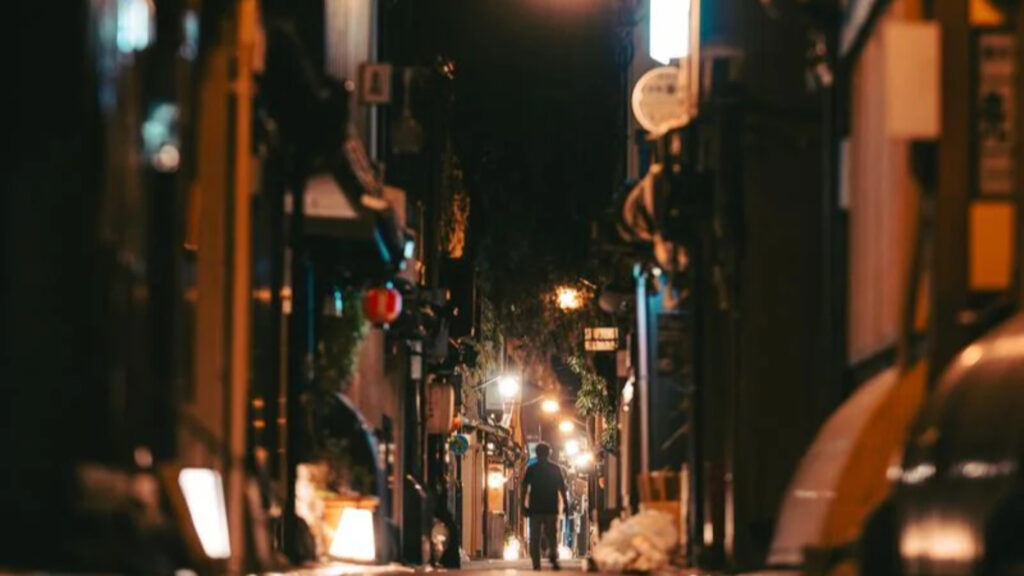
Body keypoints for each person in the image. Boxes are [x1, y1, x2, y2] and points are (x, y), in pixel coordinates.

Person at [521, 442, 569, 570]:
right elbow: (561, 488)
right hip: (551, 507)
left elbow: (524, 488)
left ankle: (536, 564)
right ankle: (553, 556)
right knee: (551, 535)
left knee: (535, 538)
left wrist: (523, 506)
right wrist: (565, 504)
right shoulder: (555, 469)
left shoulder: (531, 469)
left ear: (536, 453)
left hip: (535, 508)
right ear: (549, 453)